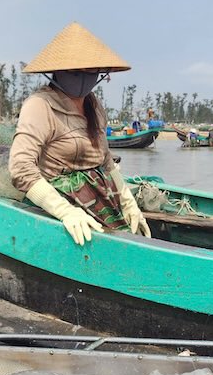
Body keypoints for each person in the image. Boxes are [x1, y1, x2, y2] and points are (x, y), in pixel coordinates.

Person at [9, 22, 151, 246]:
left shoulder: (94, 107)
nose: (84, 77)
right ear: (58, 72)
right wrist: (64, 211)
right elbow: (20, 168)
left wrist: (127, 199)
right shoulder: (40, 105)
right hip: (60, 201)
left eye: (90, 71)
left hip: (103, 199)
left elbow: (105, 161)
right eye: (75, 72)